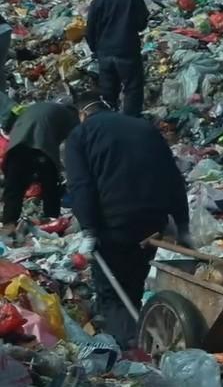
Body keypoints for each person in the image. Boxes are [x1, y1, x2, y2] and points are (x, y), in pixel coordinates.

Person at [65, 96, 190, 349]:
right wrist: (182, 225)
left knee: (111, 293)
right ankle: (143, 337)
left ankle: (129, 350)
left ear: (82, 115)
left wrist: (88, 229)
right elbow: (173, 177)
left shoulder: (80, 136)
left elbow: (81, 185)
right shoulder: (143, 127)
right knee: (133, 284)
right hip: (153, 221)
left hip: (114, 224)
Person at [2, 100, 79, 233]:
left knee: (14, 185)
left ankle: (9, 224)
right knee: (50, 183)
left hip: (17, 143)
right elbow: (74, 143)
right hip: (41, 144)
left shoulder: (41, 106)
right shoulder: (69, 116)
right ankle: (52, 218)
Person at [85, 0, 150, 116]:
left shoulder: (98, 0)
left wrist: (95, 49)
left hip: (105, 52)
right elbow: (141, 24)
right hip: (127, 50)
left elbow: (90, 29)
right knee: (132, 88)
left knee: (108, 91)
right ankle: (130, 122)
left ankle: (109, 120)